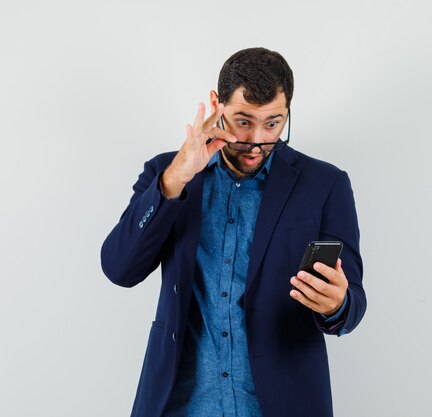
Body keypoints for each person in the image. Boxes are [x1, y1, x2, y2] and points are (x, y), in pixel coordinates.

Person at [101, 47, 366, 417]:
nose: (257, 139)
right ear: (217, 105)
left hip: (282, 404)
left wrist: (337, 303)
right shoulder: (168, 173)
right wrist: (177, 176)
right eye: (243, 122)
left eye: (273, 123)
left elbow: (352, 304)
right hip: (180, 405)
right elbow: (119, 268)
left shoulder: (325, 184)